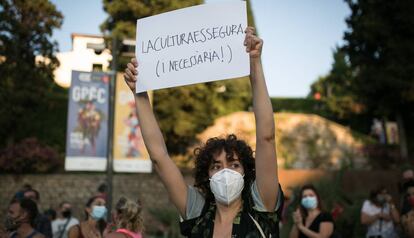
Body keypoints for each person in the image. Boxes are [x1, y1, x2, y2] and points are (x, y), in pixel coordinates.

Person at [124, 26, 283, 237]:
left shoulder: (261, 206)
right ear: (206, 175)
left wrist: (254, 62)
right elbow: (159, 157)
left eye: (234, 164)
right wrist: (140, 93)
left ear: (246, 171)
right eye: (216, 166)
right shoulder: (197, 212)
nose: (225, 172)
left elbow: (266, 137)